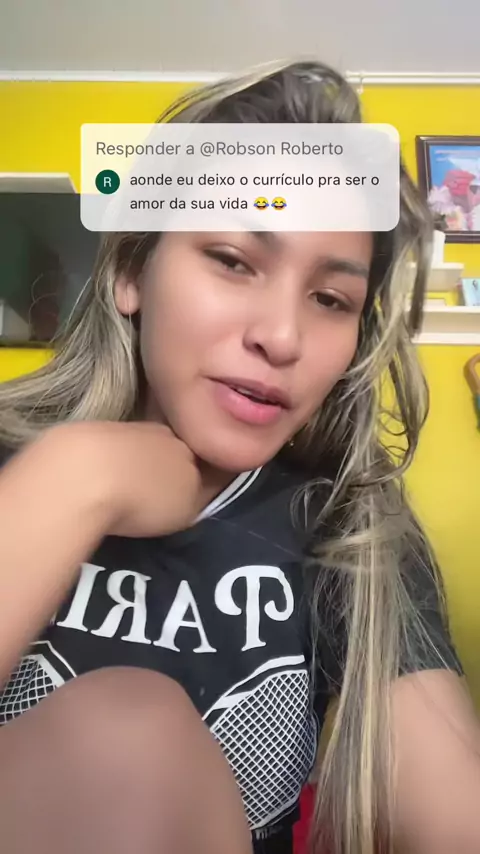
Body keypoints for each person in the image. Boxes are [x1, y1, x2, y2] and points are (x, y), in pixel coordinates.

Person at [0, 59, 479, 854]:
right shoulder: (19, 461)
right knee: (129, 735)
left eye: (330, 299)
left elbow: (455, 808)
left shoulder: (347, 528)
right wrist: (82, 474)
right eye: (232, 259)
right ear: (132, 270)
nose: (282, 337)